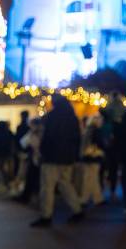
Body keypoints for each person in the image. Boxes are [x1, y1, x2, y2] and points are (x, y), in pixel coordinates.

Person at [30, 94, 84, 227]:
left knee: (47, 187)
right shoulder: (72, 117)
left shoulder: (51, 116)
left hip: (52, 157)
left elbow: (46, 137)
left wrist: (42, 152)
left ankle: (46, 215)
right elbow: (77, 138)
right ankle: (77, 209)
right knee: (65, 184)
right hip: (67, 158)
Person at [76, 114, 106, 206]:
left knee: (90, 178)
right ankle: (92, 199)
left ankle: (91, 198)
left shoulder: (88, 130)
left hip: (87, 157)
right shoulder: (96, 130)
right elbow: (100, 143)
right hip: (94, 157)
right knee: (92, 177)